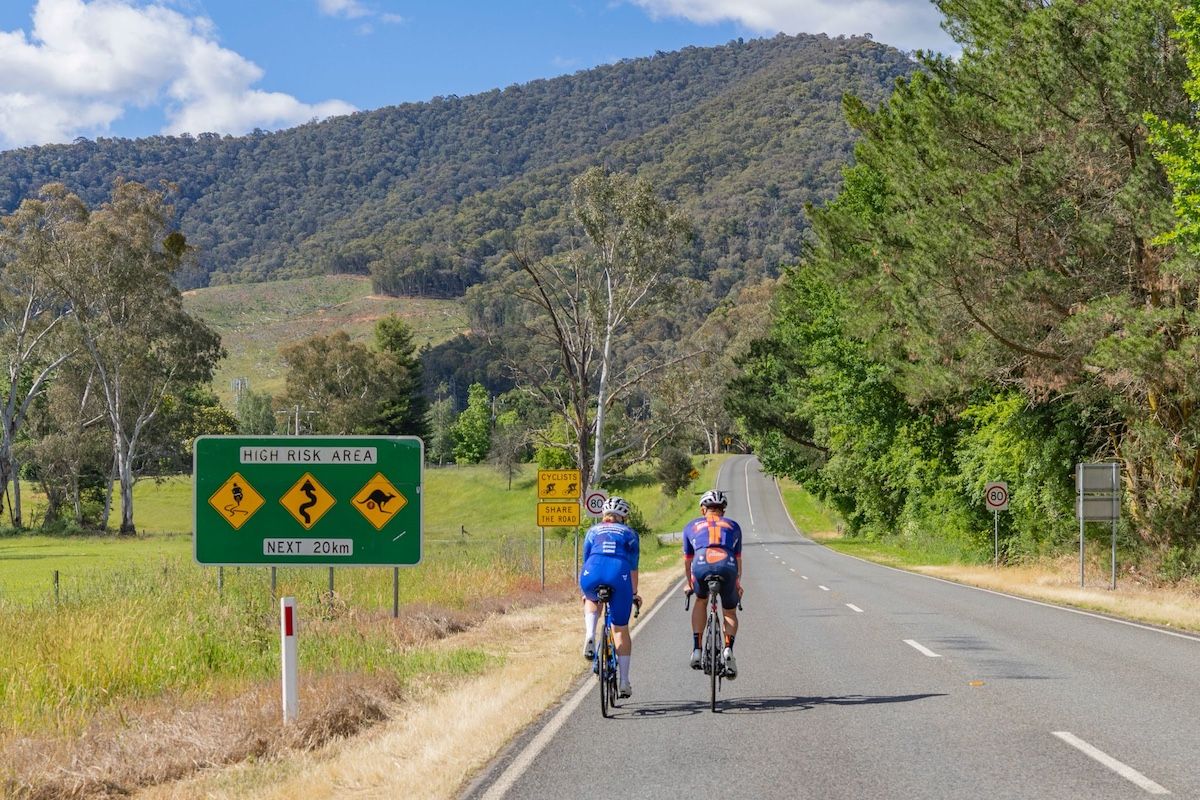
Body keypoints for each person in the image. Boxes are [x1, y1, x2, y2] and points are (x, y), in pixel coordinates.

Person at [579, 495, 641, 698]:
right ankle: (624, 681)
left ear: (604, 515)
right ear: (623, 517)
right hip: (618, 572)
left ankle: (590, 634)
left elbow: (586, 559)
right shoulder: (630, 533)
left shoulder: (592, 531)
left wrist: (586, 592)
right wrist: (633, 594)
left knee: (591, 598)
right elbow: (633, 568)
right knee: (620, 629)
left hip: (592, 572)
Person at [682, 489, 743, 678]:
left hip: (701, 564)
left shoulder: (691, 526)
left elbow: (687, 560)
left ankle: (697, 649)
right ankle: (727, 649)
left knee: (701, 601)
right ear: (723, 510)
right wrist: (737, 583)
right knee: (730, 611)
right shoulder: (733, 525)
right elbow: (738, 559)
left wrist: (689, 583)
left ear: (703, 510)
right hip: (727, 564)